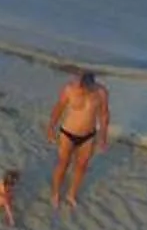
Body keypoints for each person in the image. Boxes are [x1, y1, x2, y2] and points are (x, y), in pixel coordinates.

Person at [46, 69, 112, 212]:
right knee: (63, 164)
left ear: (93, 84)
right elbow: (59, 107)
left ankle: (71, 194)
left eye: (88, 88)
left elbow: (104, 115)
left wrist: (103, 136)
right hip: (68, 133)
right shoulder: (70, 89)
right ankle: (55, 193)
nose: (84, 90)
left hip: (88, 136)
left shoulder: (101, 93)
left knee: (82, 166)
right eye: (82, 87)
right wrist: (51, 127)